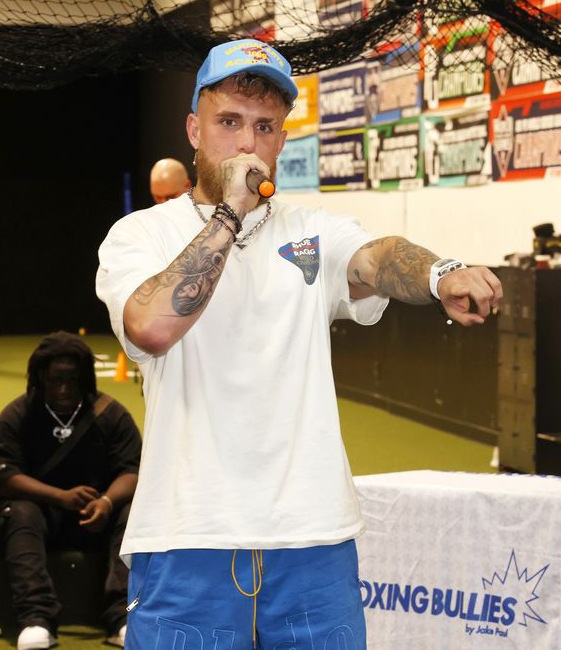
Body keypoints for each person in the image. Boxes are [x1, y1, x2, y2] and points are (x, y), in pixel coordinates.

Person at [94, 38, 502, 649]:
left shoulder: (311, 233)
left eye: (265, 126)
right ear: (194, 129)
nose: (247, 143)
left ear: (281, 139)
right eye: (228, 122)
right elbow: (152, 325)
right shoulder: (141, 235)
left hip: (312, 536)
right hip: (190, 531)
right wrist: (228, 214)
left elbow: (377, 255)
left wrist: (441, 272)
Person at [0, 332, 141, 650]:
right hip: (39, 516)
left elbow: (133, 470)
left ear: (85, 378)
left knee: (133, 512)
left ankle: (121, 618)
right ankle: (36, 620)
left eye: (72, 381)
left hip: (96, 515)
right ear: (40, 377)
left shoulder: (111, 415)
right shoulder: (18, 415)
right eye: (55, 381)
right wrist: (60, 497)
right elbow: (6, 478)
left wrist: (108, 501)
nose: (63, 390)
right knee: (19, 511)